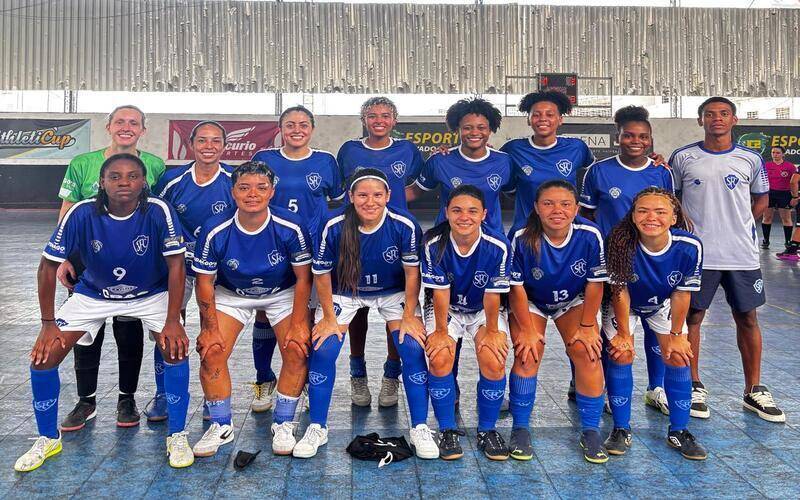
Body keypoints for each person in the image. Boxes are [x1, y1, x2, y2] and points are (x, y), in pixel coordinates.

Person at [15, 153, 192, 472]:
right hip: (92, 294)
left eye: (132, 176)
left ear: (144, 182)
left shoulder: (158, 210)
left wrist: (172, 319)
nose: (124, 182)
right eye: (115, 176)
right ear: (102, 182)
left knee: (175, 350)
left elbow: (176, 264)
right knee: (43, 357)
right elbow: (47, 266)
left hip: (150, 293)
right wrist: (47, 324)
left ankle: (177, 435)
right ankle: (47, 438)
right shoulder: (82, 212)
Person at [301, 168, 438, 460]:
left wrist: (411, 314)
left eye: (377, 194)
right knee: (323, 350)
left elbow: (413, 274)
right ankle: (317, 427)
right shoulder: (333, 224)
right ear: (350, 197)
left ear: (388, 196)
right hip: (344, 292)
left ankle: (420, 428)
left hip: (393, 292)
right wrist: (327, 317)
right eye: (362, 194)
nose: (370, 201)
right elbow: (322, 275)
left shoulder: (404, 224)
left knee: (412, 348)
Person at [669, 96, 784, 422]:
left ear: (734, 120)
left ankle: (754, 390)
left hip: (740, 255)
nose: (716, 119)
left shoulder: (750, 159)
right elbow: (672, 198)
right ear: (700, 120)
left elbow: (761, 197)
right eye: (709, 114)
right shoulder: (683, 157)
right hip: (697, 256)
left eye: (723, 114)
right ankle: (692, 385)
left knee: (747, 318)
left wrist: (743, 223)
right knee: (692, 318)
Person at [190, 161, 314, 457]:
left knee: (297, 347)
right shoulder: (214, 228)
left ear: (272, 192)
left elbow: (303, 278)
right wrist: (209, 329)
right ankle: (220, 424)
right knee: (211, 351)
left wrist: (299, 324)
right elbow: (204, 283)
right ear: (233, 192)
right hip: (232, 293)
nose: (252, 194)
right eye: (244, 188)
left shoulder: (291, 226)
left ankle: (283, 422)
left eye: (261, 187)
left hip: (282, 292)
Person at [55, 105, 166, 431]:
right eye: (120, 121)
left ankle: (126, 399)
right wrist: (63, 256)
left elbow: (156, 214)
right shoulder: (82, 164)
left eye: (134, 123)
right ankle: (85, 401)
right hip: (86, 262)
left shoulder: (155, 166)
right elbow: (66, 208)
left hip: (135, 262)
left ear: (143, 130)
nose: (126, 127)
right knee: (86, 332)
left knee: (128, 328)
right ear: (109, 127)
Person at [580, 106, 675, 415]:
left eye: (643, 136)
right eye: (629, 135)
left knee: (654, 323)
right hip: (612, 263)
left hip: (652, 262)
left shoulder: (662, 171)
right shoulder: (599, 170)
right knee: (614, 326)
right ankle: (608, 387)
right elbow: (587, 215)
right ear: (618, 137)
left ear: (650, 140)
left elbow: (669, 214)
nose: (636, 141)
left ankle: (656, 387)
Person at [249, 106, 344, 411]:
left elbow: (339, 203)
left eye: (303, 124)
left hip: (313, 250)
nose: (297, 129)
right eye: (290, 124)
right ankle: (264, 379)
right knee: (265, 312)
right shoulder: (265, 160)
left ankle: (299, 382)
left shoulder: (325, 161)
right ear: (280, 128)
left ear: (312, 129)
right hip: (272, 246)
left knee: (309, 318)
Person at [602, 187, 707, 460]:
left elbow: (682, 292)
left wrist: (676, 334)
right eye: (643, 210)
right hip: (625, 304)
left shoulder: (689, 245)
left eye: (660, 212)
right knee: (622, 353)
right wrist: (624, 333)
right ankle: (621, 428)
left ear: (673, 217)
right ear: (634, 216)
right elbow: (619, 290)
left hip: (662, 303)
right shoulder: (620, 240)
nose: (651, 217)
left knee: (678, 355)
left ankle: (679, 430)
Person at [507, 180, 608, 463]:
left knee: (587, 353)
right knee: (528, 353)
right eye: (548, 203)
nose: (557, 210)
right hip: (531, 300)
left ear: (576, 208)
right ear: (537, 208)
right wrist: (527, 329)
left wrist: (588, 327)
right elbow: (516, 287)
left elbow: (595, 284)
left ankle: (590, 430)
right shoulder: (521, 236)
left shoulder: (590, 234)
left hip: (573, 300)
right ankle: (521, 428)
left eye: (565, 204)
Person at [336, 97, 424, 409]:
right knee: (355, 304)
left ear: (394, 120)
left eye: (385, 116)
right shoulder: (349, 150)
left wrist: (394, 203)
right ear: (363, 119)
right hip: (356, 235)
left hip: (395, 237)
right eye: (372, 116)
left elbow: (414, 188)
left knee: (395, 309)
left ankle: (391, 375)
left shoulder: (408, 150)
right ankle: (357, 371)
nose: (379, 121)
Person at [148, 121, 235, 421]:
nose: (208, 146)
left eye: (215, 141)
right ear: (191, 144)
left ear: (225, 146)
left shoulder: (234, 180)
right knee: (168, 329)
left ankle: (214, 396)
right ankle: (163, 393)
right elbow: (155, 217)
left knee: (216, 332)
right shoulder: (173, 180)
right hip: (178, 269)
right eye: (202, 140)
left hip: (218, 271)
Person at [421, 185, 512, 461]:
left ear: (484, 214)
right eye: (457, 210)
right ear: (446, 212)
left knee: (493, 358)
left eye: (472, 211)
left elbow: (493, 295)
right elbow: (440, 293)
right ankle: (447, 429)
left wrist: (493, 332)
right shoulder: (433, 244)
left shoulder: (498, 245)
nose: (464, 217)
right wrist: (439, 332)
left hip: (483, 309)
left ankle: (487, 429)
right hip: (446, 308)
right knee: (439, 358)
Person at [408, 97, 512, 234]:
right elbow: (415, 191)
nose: (474, 133)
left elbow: (518, 193)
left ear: (490, 129)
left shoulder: (504, 161)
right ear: (457, 129)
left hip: (492, 239)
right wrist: (377, 197)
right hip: (446, 239)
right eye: (467, 128)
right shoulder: (440, 160)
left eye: (481, 127)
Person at [501, 90, 595, 229]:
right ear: (528, 119)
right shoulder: (513, 149)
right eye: (536, 115)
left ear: (560, 120)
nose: (543, 119)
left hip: (565, 230)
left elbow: (592, 177)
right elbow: (508, 188)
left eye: (550, 115)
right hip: (527, 231)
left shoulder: (577, 147)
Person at [761, 145, 796, 249]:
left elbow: (795, 181)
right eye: (773, 153)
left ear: (783, 154)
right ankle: (766, 241)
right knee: (767, 217)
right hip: (769, 193)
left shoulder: (790, 167)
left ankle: (788, 242)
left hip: (784, 194)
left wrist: (795, 196)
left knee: (786, 219)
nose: (775, 155)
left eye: (777, 153)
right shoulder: (766, 165)